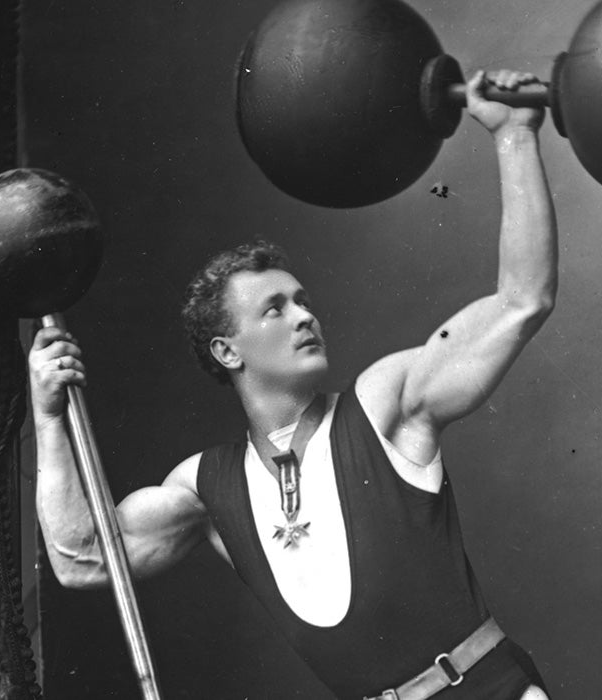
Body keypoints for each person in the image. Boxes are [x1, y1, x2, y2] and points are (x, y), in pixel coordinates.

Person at [30, 69, 557, 700]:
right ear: (227, 350)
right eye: (275, 308)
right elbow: (80, 559)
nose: (306, 315)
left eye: (303, 300)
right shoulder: (205, 487)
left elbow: (522, 302)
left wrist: (516, 135)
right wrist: (50, 417)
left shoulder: (383, 404)